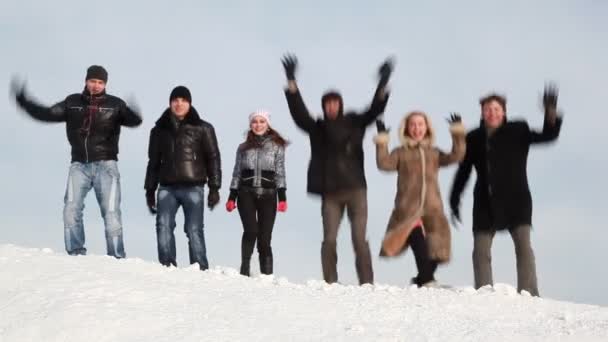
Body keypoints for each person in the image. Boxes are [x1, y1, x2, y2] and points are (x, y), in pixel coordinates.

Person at [282, 54, 393, 285]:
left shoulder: (355, 121)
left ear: (340, 105)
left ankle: (367, 284)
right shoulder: (318, 127)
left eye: (335, 102)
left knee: (359, 240)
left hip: (355, 189)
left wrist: (382, 84)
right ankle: (330, 283)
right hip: (330, 192)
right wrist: (292, 82)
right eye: (327, 103)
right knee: (329, 239)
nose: (331, 106)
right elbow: (299, 113)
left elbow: (374, 110)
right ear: (323, 107)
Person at [11, 65, 142, 258]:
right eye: (93, 81)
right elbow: (47, 113)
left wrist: (133, 113)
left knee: (111, 213)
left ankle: (116, 257)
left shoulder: (115, 104)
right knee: (71, 209)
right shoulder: (72, 103)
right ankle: (76, 254)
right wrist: (24, 102)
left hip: (106, 165)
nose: (96, 85)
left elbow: (134, 121)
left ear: (105, 83)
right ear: (86, 81)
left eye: (100, 82)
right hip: (79, 166)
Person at [449, 85, 563, 296]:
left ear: (504, 111)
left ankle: (529, 292)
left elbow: (548, 135)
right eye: (487, 109)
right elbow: (463, 171)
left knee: (524, 247)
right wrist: (454, 199)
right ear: (482, 112)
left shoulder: (518, 130)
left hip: (516, 200)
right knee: (481, 250)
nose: (492, 113)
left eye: (496, 109)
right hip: (485, 201)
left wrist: (550, 111)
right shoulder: (473, 137)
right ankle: (484, 291)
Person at [374, 112, 465, 287]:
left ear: (427, 128)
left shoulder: (434, 153)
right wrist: (382, 139)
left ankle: (423, 277)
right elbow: (384, 163)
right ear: (407, 128)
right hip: (407, 207)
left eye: (421, 125)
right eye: (413, 125)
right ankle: (428, 280)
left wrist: (457, 132)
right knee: (415, 235)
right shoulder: (401, 152)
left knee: (439, 247)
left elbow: (456, 156)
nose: (417, 129)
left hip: (432, 208)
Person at [144, 86, 221, 270]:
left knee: (194, 229)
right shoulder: (158, 130)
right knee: (163, 226)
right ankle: (167, 265)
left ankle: (200, 268)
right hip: (167, 187)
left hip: (193, 186)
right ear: (170, 103)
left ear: (189, 103)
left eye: (183, 100)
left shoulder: (203, 128)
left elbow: (213, 158)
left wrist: (214, 188)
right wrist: (149, 189)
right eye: (175, 100)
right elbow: (153, 161)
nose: (179, 104)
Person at [225, 110, 288, 276]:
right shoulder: (243, 147)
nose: (258, 124)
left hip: (269, 195)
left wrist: (282, 197)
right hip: (246, 194)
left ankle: (266, 276)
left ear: (267, 125)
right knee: (251, 230)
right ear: (250, 125)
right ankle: (244, 268)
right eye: (255, 121)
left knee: (265, 239)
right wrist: (232, 196)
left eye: (262, 121)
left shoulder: (277, 146)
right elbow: (237, 172)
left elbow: (280, 172)